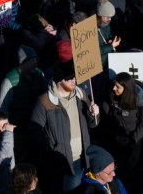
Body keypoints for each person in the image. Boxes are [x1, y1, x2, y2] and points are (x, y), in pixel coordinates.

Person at [30, 61, 100, 193]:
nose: (73, 80)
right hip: (59, 161)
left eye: (74, 77)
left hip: (82, 157)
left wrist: (93, 114)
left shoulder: (81, 94)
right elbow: (35, 131)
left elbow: (93, 124)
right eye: (69, 78)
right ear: (59, 80)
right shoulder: (44, 101)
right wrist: (51, 151)